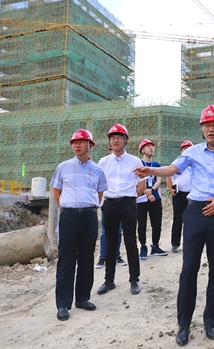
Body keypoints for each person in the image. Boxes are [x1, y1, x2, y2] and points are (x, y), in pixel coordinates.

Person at [134, 105, 214, 346]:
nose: (211, 129)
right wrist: (149, 169)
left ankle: (210, 320)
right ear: (202, 129)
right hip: (195, 213)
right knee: (189, 269)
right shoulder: (192, 152)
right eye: (206, 125)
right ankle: (183, 324)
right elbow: (172, 169)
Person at [50, 129, 108, 321]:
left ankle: (82, 298)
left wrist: (88, 207)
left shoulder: (98, 170)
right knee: (66, 259)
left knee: (86, 258)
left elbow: (100, 194)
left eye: (81, 142)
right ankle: (63, 304)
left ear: (90, 145)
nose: (77, 145)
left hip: (89, 216)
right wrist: (66, 209)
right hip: (69, 217)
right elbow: (56, 191)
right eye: (74, 142)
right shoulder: (63, 167)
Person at [97, 123, 146, 296]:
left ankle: (134, 280)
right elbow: (99, 186)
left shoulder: (135, 161)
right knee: (110, 243)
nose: (115, 140)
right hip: (109, 204)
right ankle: (109, 281)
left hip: (128, 204)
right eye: (113, 138)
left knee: (131, 242)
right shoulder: (103, 162)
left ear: (126, 140)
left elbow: (142, 185)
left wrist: (131, 198)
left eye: (119, 137)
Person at [136, 139, 168, 259]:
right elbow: (135, 180)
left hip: (155, 197)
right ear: (142, 150)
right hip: (141, 198)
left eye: (152, 146)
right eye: (148, 146)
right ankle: (143, 246)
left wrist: (152, 190)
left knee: (157, 223)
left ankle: (155, 246)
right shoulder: (138, 163)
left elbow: (159, 180)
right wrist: (146, 192)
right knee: (142, 223)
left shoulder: (156, 165)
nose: (151, 148)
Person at [96, 147, 126, 269]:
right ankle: (102, 257)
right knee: (105, 232)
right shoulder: (104, 163)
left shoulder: (124, 164)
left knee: (119, 231)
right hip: (107, 202)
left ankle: (117, 255)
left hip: (122, 202)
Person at [166, 140, 193, 253]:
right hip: (179, 194)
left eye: (189, 149)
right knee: (178, 219)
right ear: (181, 150)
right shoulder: (177, 163)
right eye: (185, 148)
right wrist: (170, 188)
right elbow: (168, 175)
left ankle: (189, 243)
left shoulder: (194, 163)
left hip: (191, 195)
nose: (187, 150)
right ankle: (175, 244)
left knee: (190, 220)